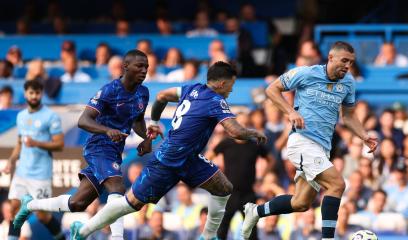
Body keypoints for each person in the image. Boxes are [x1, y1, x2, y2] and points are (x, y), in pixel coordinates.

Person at [69, 61, 267, 240]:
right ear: (222, 83)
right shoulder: (216, 101)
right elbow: (234, 131)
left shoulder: (192, 89)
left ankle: (208, 237)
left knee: (224, 188)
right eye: (231, 85)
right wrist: (253, 133)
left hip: (189, 158)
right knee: (130, 204)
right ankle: (84, 230)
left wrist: (154, 121)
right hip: (168, 160)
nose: (231, 90)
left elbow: (162, 96)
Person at [241, 41, 378, 240]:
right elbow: (272, 89)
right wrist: (289, 112)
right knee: (337, 184)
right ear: (331, 58)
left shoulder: (348, 82)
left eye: (351, 62)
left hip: (322, 148)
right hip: (302, 142)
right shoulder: (306, 73)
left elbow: (348, 116)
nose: (347, 66)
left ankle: (256, 211)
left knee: (301, 203)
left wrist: (364, 136)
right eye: (344, 60)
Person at [12, 50, 152, 240]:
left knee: (77, 203)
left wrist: (147, 137)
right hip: (98, 147)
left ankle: (30, 205)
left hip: (114, 150)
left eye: (146, 67)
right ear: (125, 67)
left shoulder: (143, 93)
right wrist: (106, 130)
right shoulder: (110, 90)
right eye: (139, 66)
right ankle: (117, 237)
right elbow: (83, 120)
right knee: (118, 188)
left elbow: (137, 120)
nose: (144, 70)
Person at [2, 80, 65, 240]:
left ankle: (61, 238)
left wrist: (36, 143)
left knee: (42, 216)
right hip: (22, 172)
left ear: (41, 94)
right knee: (14, 208)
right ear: (25, 94)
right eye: (31, 93)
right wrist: (11, 161)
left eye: (37, 93)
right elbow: (19, 143)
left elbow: (59, 144)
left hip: (40, 175)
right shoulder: (21, 116)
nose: (34, 96)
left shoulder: (50, 116)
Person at [207, 112, 275, 240]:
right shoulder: (226, 143)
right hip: (229, 194)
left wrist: (261, 177)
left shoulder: (255, 145)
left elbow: (271, 160)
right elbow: (208, 157)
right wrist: (215, 177)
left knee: (251, 231)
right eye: (241, 123)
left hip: (248, 193)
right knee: (222, 229)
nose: (243, 126)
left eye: (247, 124)